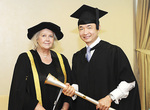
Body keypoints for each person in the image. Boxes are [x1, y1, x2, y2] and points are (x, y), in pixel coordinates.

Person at [63, 4, 141, 110]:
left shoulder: (113, 52)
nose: (85, 32)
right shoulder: (77, 57)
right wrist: (72, 90)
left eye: (89, 27)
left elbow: (129, 82)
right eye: (81, 28)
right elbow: (77, 84)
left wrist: (110, 98)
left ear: (98, 27)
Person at [8, 22, 72, 110]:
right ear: (37, 39)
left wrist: (64, 109)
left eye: (51, 36)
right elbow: (19, 90)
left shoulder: (62, 59)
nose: (47, 39)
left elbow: (69, 88)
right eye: (43, 36)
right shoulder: (25, 59)